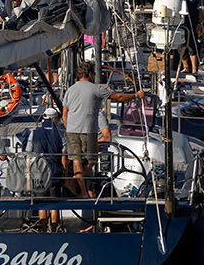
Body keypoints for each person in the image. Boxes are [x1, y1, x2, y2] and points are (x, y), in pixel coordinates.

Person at [60, 62, 143, 197]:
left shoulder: (70, 90)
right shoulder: (96, 89)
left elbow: (64, 114)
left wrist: (69, 129)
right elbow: (119, 97)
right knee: (92, 160)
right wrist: (136, 95)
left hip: (72, 131)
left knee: (77, 161)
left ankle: (76, 186)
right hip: (89, 131)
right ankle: (80, 188)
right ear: (90, 74)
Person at [28, 107, 66, 231]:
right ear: (54, 119)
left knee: (41, 203)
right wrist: (65, 174)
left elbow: (28, 152)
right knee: (54, 203)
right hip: (55, 172)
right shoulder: (61, 133)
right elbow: (63, 156)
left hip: (39, 173)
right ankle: (53, 229)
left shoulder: (34, 132)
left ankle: (44, 229)